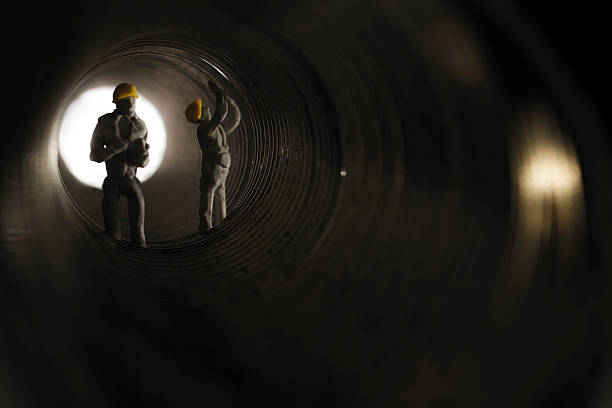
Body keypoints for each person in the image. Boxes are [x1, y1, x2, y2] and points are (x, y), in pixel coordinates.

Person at [89, 83, 150, 247]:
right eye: (125, 100)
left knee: (138, 230)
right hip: (113, 181)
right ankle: (113, 257)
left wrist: (143, 154)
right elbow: (94, 155)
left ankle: (140, 258)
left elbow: (144, 162)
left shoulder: (141, 126)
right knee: (112, 231)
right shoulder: (105, 122)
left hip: (131, 180)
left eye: (133, 100)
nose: (130, 104)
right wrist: (117, 147)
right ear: (116, 103)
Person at [185, 80, 241, 233]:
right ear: (200, 115)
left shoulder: (214, 128)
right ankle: (206, 228)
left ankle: (216, 226)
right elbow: (221, 113)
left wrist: (226, 98)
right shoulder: (206, 128)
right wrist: (219, 93)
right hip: (216, 165)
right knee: (211, 195)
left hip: (220, 165)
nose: (206, 107)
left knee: (216, 194)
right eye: (203, 108)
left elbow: (234, 119)